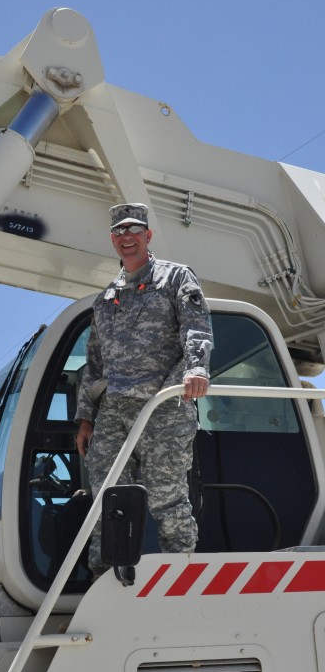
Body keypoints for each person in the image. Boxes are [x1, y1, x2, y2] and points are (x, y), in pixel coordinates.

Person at [75, 202, 213, 577]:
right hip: (116, 410)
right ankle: (106, 580)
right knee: (106, 497)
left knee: (167, 497)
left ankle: (180, 576)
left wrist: (196, 369)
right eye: (119, 233)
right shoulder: (105, 299)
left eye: (134, 231)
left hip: (164, 404)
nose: (127, 238)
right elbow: (95, 362)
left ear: (148, 236)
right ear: (113, 241)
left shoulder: (176, 278)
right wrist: (86, 419)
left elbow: (196, 329)